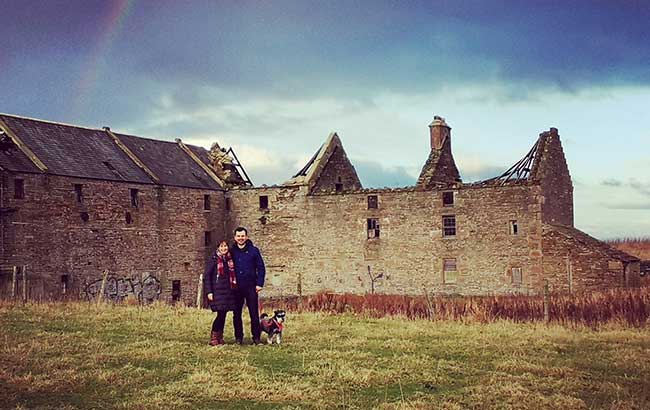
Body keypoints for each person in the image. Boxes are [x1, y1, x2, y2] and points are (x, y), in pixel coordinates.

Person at [230, 226, 266, 345]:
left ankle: (256, 338)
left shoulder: (254, 251)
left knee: (254, 313)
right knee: (236, 314)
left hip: (251, 286)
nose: (241, 238)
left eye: (243, 236)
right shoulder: (232, 251)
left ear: (246, 237)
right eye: (238, 236)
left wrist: (259, 283)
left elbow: (261, 267)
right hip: (236, 288)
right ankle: (238, 338)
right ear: (235, 237)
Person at [203, 240, 238, 346]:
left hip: (227, 292)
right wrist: (209, 292)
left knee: (223, 314)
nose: (224, 248)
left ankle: (219, 337)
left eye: (225, 246)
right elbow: (207, 276)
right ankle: (214, 336)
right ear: (218, 248)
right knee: (220, 314)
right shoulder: (214, 260)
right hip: (217, 292)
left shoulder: (229, 260)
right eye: (221, 247)